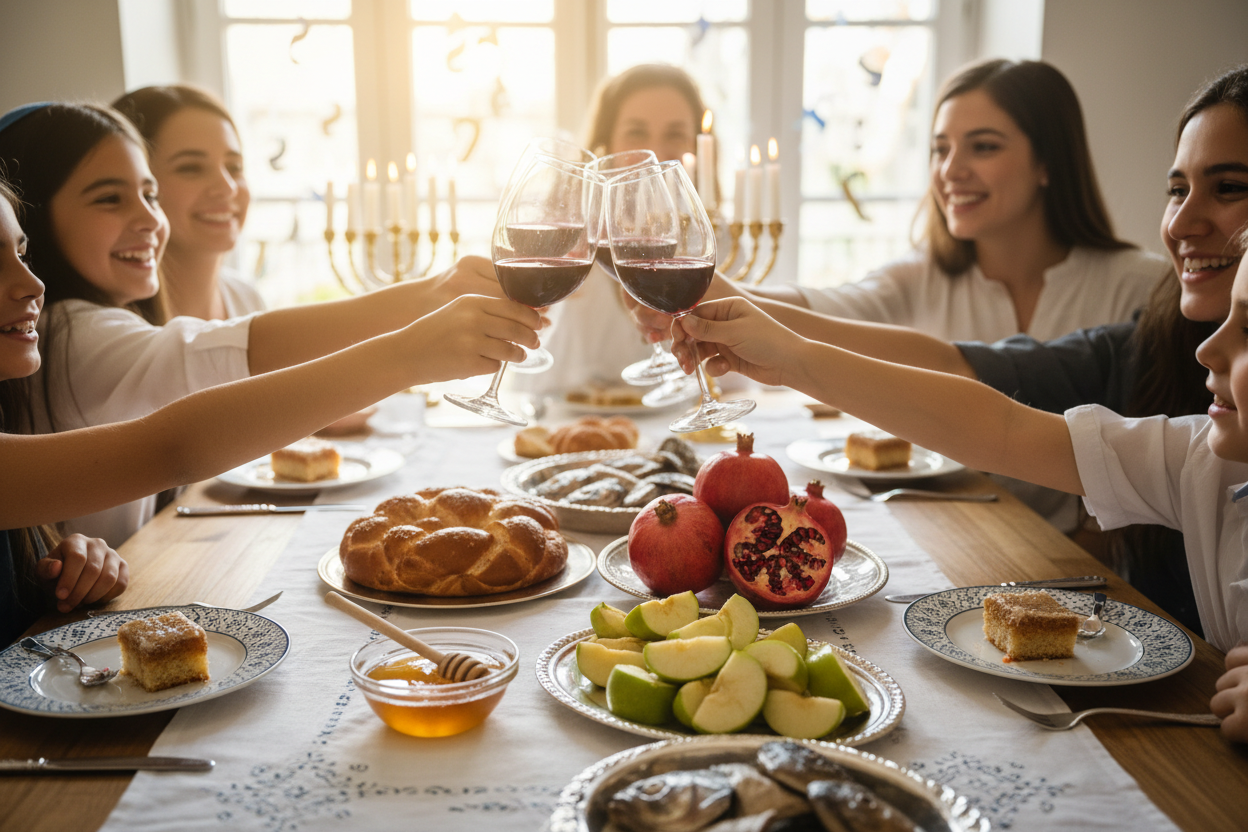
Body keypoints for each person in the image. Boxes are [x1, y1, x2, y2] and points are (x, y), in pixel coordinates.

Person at [670, 233, 1248, 741]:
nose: (1206, 348)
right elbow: (1000, 428)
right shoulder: (1201, 460)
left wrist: (788, 352)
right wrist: (790, 360)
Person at [0, 176, 540, 645]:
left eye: (21, 255)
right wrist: (406, 354)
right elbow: (170, 447)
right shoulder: (75, 331)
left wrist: (66, 558)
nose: (31, 284)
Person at [0, 102, 509, 547]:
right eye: (109, 198)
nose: (150, 219)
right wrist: (415, 330)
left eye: (149, 195)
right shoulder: (68, 332)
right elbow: (180, 435)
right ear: (38, 218)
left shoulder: (92, 323)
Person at [514, 64, 709, 401]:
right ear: (607, 140)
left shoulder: (711, 238)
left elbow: (737, 380)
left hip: (676, 420)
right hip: (569, 414)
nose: (655, 155)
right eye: (636, 132)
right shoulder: (569, 231)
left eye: (675, 134)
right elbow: (534, 377)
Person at [112, 85, 260, 319]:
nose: (228, 187)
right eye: (191, 168)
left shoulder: (248, 299)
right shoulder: (108, 325)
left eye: (234, 167)